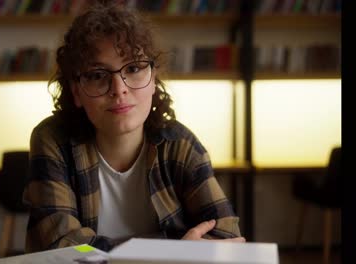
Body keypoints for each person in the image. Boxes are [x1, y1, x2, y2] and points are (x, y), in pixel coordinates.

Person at [22, 2, 244, 253]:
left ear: (153, 80)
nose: (119, 89)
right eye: (97, 75)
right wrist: (173, 252)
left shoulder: (180, 144)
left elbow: (227, 236)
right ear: (76, 92)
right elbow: (63, 246)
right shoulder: (53, 140)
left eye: (134, 68)